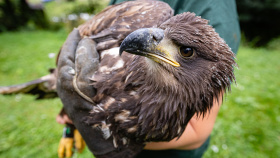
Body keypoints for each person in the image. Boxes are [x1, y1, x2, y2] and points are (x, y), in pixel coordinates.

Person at [57, 0, 241, 157]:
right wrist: (71, 119)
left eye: (185, 52)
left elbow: (197, 130)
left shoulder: (214, 7)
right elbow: (75, 65)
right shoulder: (147, 13)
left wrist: (114, 145)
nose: (148, 38)